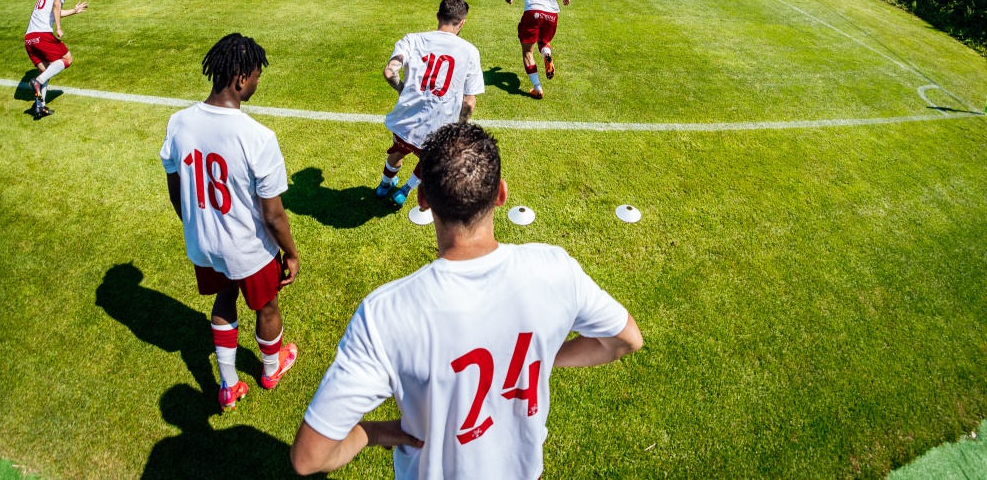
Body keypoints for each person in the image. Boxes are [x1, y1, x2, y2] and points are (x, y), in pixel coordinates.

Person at [290, 122, 643, 479]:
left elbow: (309, 458)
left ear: (424, 199)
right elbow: (626, 340)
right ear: (501, 194)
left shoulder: (384, 315)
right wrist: (545, 357)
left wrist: (377, 432)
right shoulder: (555, 269)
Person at [160, 33, 300, 411]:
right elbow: (272, 214)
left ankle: (228, 385)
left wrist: (195, 226)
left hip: (202, 243)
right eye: (256, 75)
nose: (258, 82)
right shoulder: (257, 136)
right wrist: (291, 253)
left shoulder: (178, 122)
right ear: (240, 79)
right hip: (248, 248)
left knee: (224, 298)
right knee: (267, 306)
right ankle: (271, 369)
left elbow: (177, 191)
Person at [375, 0, 483, 209]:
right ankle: (405, 190)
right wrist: (460, 128)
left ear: (437, 17)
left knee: (399, 150)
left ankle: (384, 185)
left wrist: (401, 88)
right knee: (430, 161)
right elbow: (469, 102)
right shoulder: (470, 51)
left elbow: (390, 72)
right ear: (462, 23)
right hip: (439, 127)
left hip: (406, 121)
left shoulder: (413, 39)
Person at [504, 0, 573, 100]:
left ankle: (538, 89)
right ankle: (547, 55)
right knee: (544, 41)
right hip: (551, 13)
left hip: (533, 12)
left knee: (528, 52)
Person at [24, 0, 88, 117]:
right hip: (42, 35)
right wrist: (58, 27)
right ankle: (37, 82)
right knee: (67, 59)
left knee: (45, 71)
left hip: (29, 38)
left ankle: (40, 107)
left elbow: (55, 11)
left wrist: (74, 10)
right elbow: (56, 5)